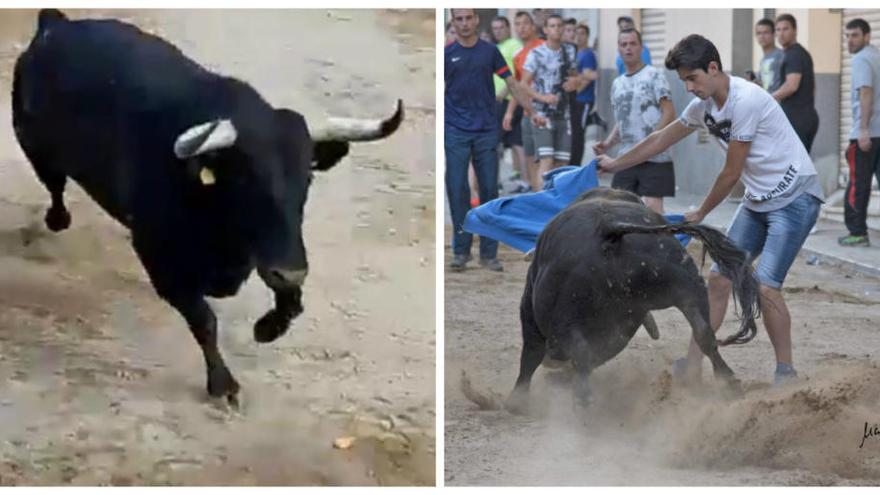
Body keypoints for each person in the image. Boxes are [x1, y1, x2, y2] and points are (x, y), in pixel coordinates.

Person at [596, 34, 824, 385]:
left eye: (692, 78)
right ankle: (693, 364)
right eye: (684, 79)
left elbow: (732, 172)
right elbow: (659, 139)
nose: (688, 87)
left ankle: (785, 371)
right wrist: (615, 164)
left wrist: (701, 212)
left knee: (765, 286)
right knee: (718, 279)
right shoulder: (702, 108)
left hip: (796, 198)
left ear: (713, 68)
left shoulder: (746, 100)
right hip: (759, 201)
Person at [445, 9, 541, 272]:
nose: (464, 24)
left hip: (486, 130)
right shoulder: (445, 55)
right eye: (459, 19)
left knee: (489, 190)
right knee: (456, 189)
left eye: (468, 18)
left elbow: (512, 84)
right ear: (453, 22)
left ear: (477, 20)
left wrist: (532, 112)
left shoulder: (490, 52)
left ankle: (489, 253)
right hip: (455, 130)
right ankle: (461, 250)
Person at [593, 28, 675, 214]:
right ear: (619, 49)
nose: (628, 48)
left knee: (653, 211)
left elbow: (669, 112)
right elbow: (622, 120)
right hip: (626, 157)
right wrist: (607, 144)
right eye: (624, 44)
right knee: (618, 208)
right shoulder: (617, 83)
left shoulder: (654, 75)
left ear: (641, 48)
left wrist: (653, 141)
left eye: (633, 44)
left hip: (655, 156)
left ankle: (656, 244)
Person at [521, 14, 578, 181]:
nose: (557, 29)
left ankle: (558, 203)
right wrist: (543, 98)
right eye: (552, 26)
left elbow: (575, 77)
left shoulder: (569, 50)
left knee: (562, 163)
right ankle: (542, 203)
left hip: (564, 113)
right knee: (546, 160)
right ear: (545, 29)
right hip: (542, 114)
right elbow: (523, 84)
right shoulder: (536, 53)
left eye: (560, 26)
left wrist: (575, 82)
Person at [839, 18, 880, 247]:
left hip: (865, 134)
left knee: (857, 184)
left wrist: (863, 128)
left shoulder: (862, 59)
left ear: (866, 36)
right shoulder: (877, 55)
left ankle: (857, 232)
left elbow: (866, 92)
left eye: (855, 35)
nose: (850, 40)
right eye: (847, 35)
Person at [504, 11, 545, 192]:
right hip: (527, 113)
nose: (521, 28)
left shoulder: (544, 48)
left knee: (545, 159)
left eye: (525, 23)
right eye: (517, 24)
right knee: (529, 157)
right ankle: (536, 194)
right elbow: (518, 87)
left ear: (533, 25)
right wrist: (510, 112)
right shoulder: (518, 55)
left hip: (545, 113)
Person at [772, 14, 819, 153]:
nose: (781, 34)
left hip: (797, 119)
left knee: (795, 166)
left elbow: (792, 85)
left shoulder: (794, 54)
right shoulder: (800, 53)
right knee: (800, 165)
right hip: (805, 116)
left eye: (785, 29)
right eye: (778, 30)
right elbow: (813, 86)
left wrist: (769, 97)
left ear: (795, 30)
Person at [491, 16, 527, 194]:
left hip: (507, 101)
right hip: (497, 101)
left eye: (501, 28)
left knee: (512, 141)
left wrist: (503, 93)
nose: (497, 31)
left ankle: (522, 179)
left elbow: (516, 74)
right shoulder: (496, 47)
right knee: (511, 142)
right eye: (495, 28)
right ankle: (499, 179)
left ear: (508, 28)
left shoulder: (514, 46)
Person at [571, 23, 598, 166]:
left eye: (582, 33)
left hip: (584, 100)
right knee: (574, 133)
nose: (579, 36)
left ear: (587, 36)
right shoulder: (577, 52)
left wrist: (574, 91)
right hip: (577, 100)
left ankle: (576, 165)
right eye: (577, 33)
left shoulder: (587, 54)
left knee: (579, 134)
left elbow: (588, 77)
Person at [753, 18, 783, 93]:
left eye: (766, 33)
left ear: (774, 34)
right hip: (767, 101)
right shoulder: (763, 59)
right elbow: (765, 85)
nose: (762, 36)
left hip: (779, 102)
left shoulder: (781, 55)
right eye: (759, 33)